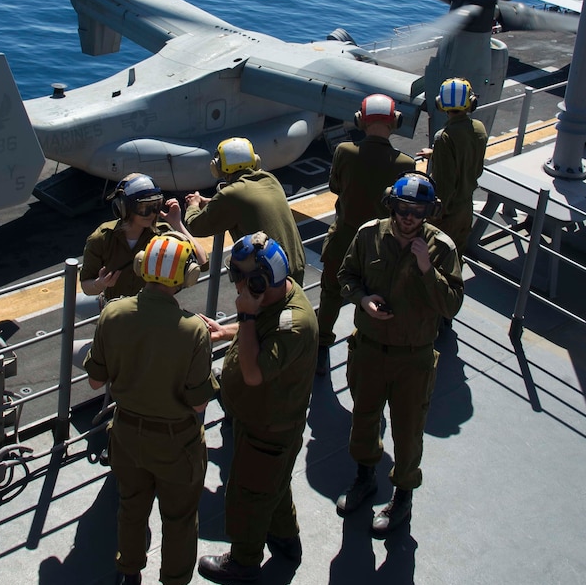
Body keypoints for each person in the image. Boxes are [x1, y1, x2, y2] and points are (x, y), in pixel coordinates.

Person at [84, 233, 219, 585]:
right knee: (178, 519)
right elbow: (199, 403)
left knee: (130, 508)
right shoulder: (193, 330)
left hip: (126, 435)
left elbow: (96, 382)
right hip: (176, 444)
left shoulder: (112, 313)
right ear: (187, 276)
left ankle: (129, 573)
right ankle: (173, 582)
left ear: (143, 266)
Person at [334, 172, 464, 535]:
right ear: (392, 206)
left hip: (414, 358)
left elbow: (451, 305)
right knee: (363, 418)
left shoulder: (441, 249)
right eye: (403, 209)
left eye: (418, 211)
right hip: (370, 351)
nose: (409, 218)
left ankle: (403, 496)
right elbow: (346, 275)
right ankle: (365, 478)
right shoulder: (368, 235)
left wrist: (426, 270)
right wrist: (362, 299)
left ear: (428, 212)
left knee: (408, 432)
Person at [197, 233, 318, 584]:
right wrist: (228, 331)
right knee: (272, 486)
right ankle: (285, 539)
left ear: (263, 280)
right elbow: (262, 326)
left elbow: (253, 373)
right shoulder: (277, 300)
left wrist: (245, 317)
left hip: (269, 426)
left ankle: (244, 562)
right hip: (261, 420)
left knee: (248, 495)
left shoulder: (293, 323)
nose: (237, 285)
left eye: (243, 279)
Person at [316, 95, 416, 376]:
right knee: (374, 297)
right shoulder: (405, 164)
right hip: (379, 246)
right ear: (395, 122)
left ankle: (321, 348)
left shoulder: (345, 152)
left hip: (344, 239)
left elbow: (336, 187)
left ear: (360, 120)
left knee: (331, 294)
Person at [183, 137, 306, 285]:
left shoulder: (231, 195)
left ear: (217, 167)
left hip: (268, 278)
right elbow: (245, 203)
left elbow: (196, 226)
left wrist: (193, 205)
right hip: (295, 266)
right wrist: (212, 203)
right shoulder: (269, 179)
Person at [79, 172, 207, 308]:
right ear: (124, 208)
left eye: (156, 206)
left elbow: (203, 263)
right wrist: (100, 284)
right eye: (144, 208)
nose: (152, 213)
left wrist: (177, 224)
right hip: (117, 313)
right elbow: (86, 286)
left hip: (154, 310)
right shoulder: (102, 238)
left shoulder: (162, 235)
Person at [416, 77, 488, 254]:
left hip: (448, 213)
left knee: (436, 260)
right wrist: (437, 153)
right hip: (466, 207)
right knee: (457, 255)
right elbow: (467, 155)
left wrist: (434, 215)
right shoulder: (479, 128)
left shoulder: (444, 137)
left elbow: (444, 184)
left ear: (441, 103)